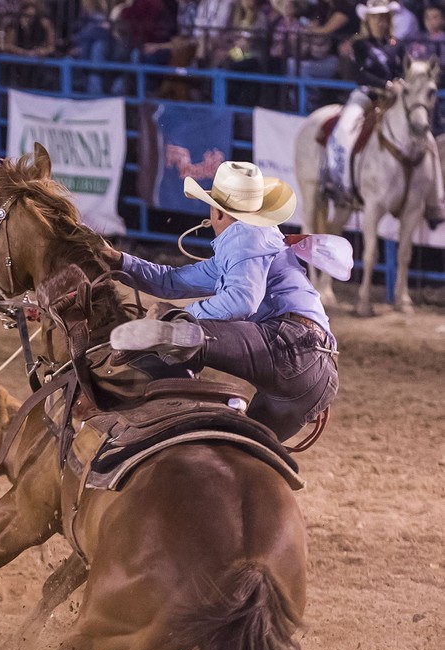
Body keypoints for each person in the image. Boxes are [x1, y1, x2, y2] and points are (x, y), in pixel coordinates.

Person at [103, 161, 339, 442]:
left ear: (216, 210)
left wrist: (181, 315)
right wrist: (121, 261)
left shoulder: (245, 234)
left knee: (179, 335)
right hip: (315, 376)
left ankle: (148, 415)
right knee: (239, 449)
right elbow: (171, 281)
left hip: (289, 346)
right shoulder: (257, 241)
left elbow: (241, 301)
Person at [325, 0, 445, 226]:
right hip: (366, 95)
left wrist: (401, 83)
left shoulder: (397, 45)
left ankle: (434, 202)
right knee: (344, 128)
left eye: (384, 17)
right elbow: (361, 75)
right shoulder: (360, 45)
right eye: (376, 17)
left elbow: (403, 70)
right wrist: (387, 84)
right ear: (368, 20)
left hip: (395, 99)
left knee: (427, 137)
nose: (380, 21)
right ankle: (337, 181)